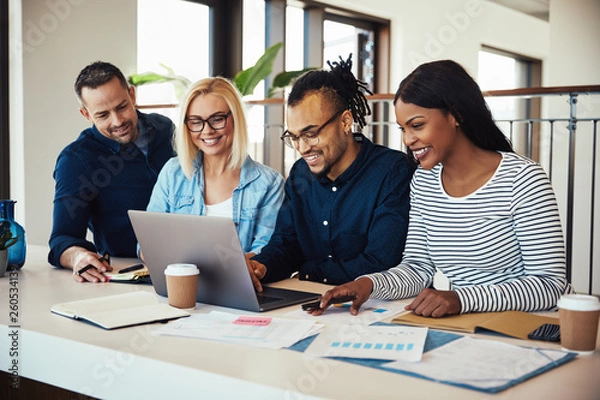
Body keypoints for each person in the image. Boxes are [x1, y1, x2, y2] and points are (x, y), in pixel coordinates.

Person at [311, 59, 573, 317]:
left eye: (417, 125)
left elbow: (550, 285)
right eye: (403, 128)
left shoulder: (522, 179)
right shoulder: (424, 181)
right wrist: (367, 284)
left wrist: (462, 298)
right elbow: (418, 268)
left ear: (456, 115)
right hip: (472, 324)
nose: (408, 140)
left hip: (533, 324)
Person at [248, 55, 415, 291]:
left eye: (311, 133)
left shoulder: (393, 172)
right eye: (294, 137)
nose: (302, 147)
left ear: (346, 121)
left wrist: (309, 271)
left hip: (375, 307)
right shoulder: (300, 175)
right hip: (311, 302)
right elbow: (286, 245)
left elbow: (382, 262)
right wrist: (261, 266)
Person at [48, 61, 175, 282]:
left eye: (121, 106)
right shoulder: (76, 160)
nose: (118, 121)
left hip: (191, 266)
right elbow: (62, 238)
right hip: (131, 275)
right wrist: (78, 257)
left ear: (132, 95)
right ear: (86, 114)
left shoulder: (165, 129)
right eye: (103, 115)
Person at [146, 77, 284, 260]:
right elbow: (147, 242)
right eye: (196, 122)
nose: (207, 130)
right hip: (179, 283)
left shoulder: (269, 183)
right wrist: (151, 252)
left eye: (217, 119)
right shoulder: (173, 173)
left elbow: (265, 252)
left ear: (235, 118)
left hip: (240, 286)